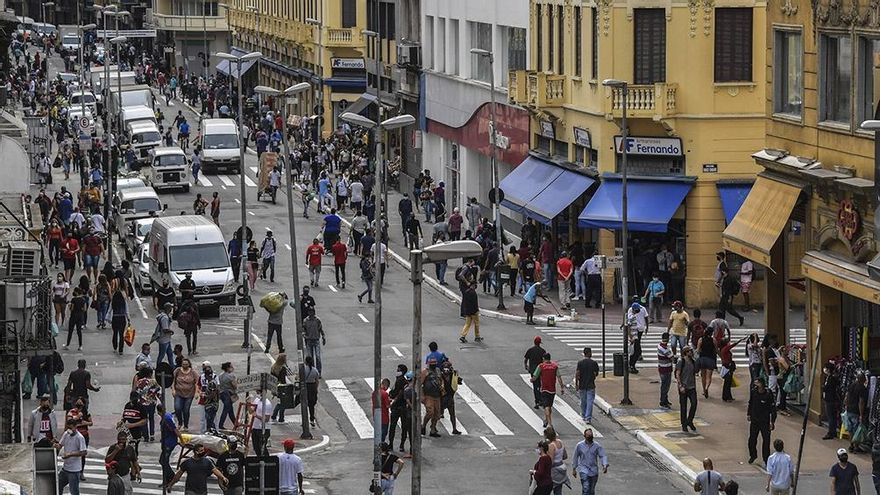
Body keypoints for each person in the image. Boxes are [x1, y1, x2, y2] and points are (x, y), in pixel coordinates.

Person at [748, 376, 777, 465]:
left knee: (766, 440)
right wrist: (749, 414)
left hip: (765, 420)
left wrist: (772, 421)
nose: (756, 384)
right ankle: (753, 455)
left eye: (757, 382)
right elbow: (750, 403)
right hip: (755, 420)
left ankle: (766, 458)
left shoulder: (768, 393)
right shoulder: (754, 392)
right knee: (752, 439)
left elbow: (773, 408)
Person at [54, 418, 87, 495]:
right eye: (68, 428)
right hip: (65, 468)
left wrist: (70, 454)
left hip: (74, 470)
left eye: (71, 428)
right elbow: (60, 445)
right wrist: (56, 445)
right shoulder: (66, 434)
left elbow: (84, 452)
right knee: (58, 485)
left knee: (74, 491)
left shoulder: (80, 438)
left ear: (75, 427)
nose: (69, 430)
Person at [572, 428, 608, 495]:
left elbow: (602, 455)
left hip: (593, 470)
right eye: (588, 435)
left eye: (591, 435)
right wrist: (574, 469)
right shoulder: (579, 445)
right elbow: (575, 457)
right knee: (586, 488)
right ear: (584, 436)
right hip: (583, 469)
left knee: (591, 490)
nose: (590, 437)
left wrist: (604, 465)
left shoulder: (597, 445)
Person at [104, 429, 140, 494]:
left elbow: (134, 461)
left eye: (123, 439)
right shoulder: (113, 447)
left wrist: (138, 473)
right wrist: (115, 451)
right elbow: (107, 460)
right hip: (114, 475)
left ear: (126, 439)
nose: (121, 441)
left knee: (127, 492)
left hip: (125, 475)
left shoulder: (129, 448)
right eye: (119, 439)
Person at [534, 353, 564, 429]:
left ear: (543, 358)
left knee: (546, 406)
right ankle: (547, 420)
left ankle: (550, 424)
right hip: (552, 390)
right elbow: (559, 377)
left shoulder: (541, 366)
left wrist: (532, 380)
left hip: (544, 389)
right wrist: (562, 387)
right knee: (549, 406)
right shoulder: (555, 366)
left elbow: (535, 376)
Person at [675, 346, 699, 433]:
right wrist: (680, 385)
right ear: (685, 352)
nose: (691, 353)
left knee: (694, 404)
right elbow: (677, 374)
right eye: (690, 351)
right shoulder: (681, 361)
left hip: (692, 386)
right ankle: (684, 424)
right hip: (683, 387)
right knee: (683, 406)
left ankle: (689, 420)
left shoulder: (693, 361)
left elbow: (696, 371)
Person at [420, 357, 445, 437]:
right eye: (432, 364)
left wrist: (442, 386)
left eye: (435, 363)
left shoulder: (438, 370)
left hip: (437, 395)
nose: (433, 365)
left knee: (437, 414)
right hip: (428, 395)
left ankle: (433, 429)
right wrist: (422, 395)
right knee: (430, 412)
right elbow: (420, 384)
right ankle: (423, 425)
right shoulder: (425, 372)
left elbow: (441, 380)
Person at [844, 372, 869, 453]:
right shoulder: (862, 388)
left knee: (850, 429)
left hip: (849, 410)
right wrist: (861, 415)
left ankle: (851, 445)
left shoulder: (852, 385)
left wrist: (846, 406)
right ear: (863, 379)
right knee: (856, 430)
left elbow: (847, 396)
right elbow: (861, 402)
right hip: (856, 412)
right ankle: (856, 447)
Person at [157, 402, 181, 486]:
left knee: (163, 461)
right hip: (167, 441)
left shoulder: (166, 418)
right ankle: (167, 479)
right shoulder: (168, 415)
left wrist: (181, 440)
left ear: (158, 412)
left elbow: (175, 430)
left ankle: (172, 477)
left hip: (169, 443)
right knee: (164, 461)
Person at [172, 358, 198, 430]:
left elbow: (197, 383)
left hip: (189, 394)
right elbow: (173, 380)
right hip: (179, 393)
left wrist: (196, 392)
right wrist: (173, 390)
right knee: (177, 408)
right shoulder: (177, 371)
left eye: (186, 364)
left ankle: (186, 425)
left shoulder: (193, 372)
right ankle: (180, 422)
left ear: (189, 364)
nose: (185, 365)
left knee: (186, 410)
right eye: (183, 364)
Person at [575, 347, 599, 424]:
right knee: (589, 402)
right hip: (590, 385)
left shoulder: (580, 363)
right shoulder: (594, 363)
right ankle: (588, 417)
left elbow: (577, 374)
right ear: (589, 353)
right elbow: (596, 373)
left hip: (582, 385)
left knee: (583, 401)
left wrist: (576, 384)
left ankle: (584, 414)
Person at [440, 361, 462, 435]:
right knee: (436, 414)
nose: (446, 371)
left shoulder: (453, 375)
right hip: (442, 398)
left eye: (447, 369)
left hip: (449, 397)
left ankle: (454, 429)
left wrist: (458, 378)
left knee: (452, 414)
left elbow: (458, 381)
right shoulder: (440, 376)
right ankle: (433, 428)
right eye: (445, 369)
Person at [525, 336, 547, 409]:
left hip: (533, 370)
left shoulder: (530, 350)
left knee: (535, 386)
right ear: (540, 343)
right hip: (541, 370)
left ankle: (537, 401)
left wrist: (526, 366)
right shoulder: (543, 351)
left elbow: (526, 359)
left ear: (534, 342)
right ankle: (541, 400)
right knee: (541, 385)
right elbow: (545, 361)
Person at [625, 303, 646, 374]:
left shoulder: (633, 316)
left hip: (635, 336)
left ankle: (632, 365)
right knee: (636, 352)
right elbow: (628, 327)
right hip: (634, 337)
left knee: (635, 352)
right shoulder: (631, 317)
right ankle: (631, 365)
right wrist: (631, 337)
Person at [822, 364, 841, 440]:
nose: (824, 370)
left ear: (829, 370)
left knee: (831, 416)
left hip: (830, 400)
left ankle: (831, 432)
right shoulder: (829, 378)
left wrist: (824, 387)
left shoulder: (831, 379)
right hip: (830, 399)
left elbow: (827, 388)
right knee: (833, 417)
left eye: (826, 368)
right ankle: (833, 432)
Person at [696, 331, 718, 399]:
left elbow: (698, 350)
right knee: (709, 377)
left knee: (703, 376)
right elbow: (716, 349)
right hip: (710, 359)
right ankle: (707, 388)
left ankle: (703, 390)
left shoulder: (701, 339)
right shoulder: (713, 340)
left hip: (702, 359)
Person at [218, 362, 239, 430]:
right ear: (228, 368)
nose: (233, 368)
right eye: (231, 367)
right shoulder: (230, 376)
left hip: (222, 394)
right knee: (226, 409)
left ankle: (235, 424)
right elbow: (235, 386)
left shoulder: (220, 375)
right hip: (228, 394)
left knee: (230, 410)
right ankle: (220, 425)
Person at [251, 391, 272, 457]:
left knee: (262, 448)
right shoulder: (256, 400)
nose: (257, 393)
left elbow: (266, 419)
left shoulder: (267, 404)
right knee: (256, 447)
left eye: (259, 392)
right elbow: (251, 411)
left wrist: (256, 415)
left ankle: (267, 460)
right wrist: (248, 403)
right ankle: (260, 459)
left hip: (263, 429)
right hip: (255, 427)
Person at [303, 356, 321, 427]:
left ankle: (304, 420)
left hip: (305, 387)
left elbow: (299, 378)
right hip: (312, 387)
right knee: (311, 405)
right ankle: (312, 419)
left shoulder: (304, 370)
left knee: (303, 403)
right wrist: (316, 388)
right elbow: (317, 380)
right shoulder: (315, 370)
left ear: (306, 362)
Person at [658, 333, 674, 409]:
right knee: (665, 386)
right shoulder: (664, 349)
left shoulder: (660, 346)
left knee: (665, 385)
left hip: (662, 368)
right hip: (666, 369)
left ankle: (665, 399)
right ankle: (663, 401)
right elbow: (672, 358)